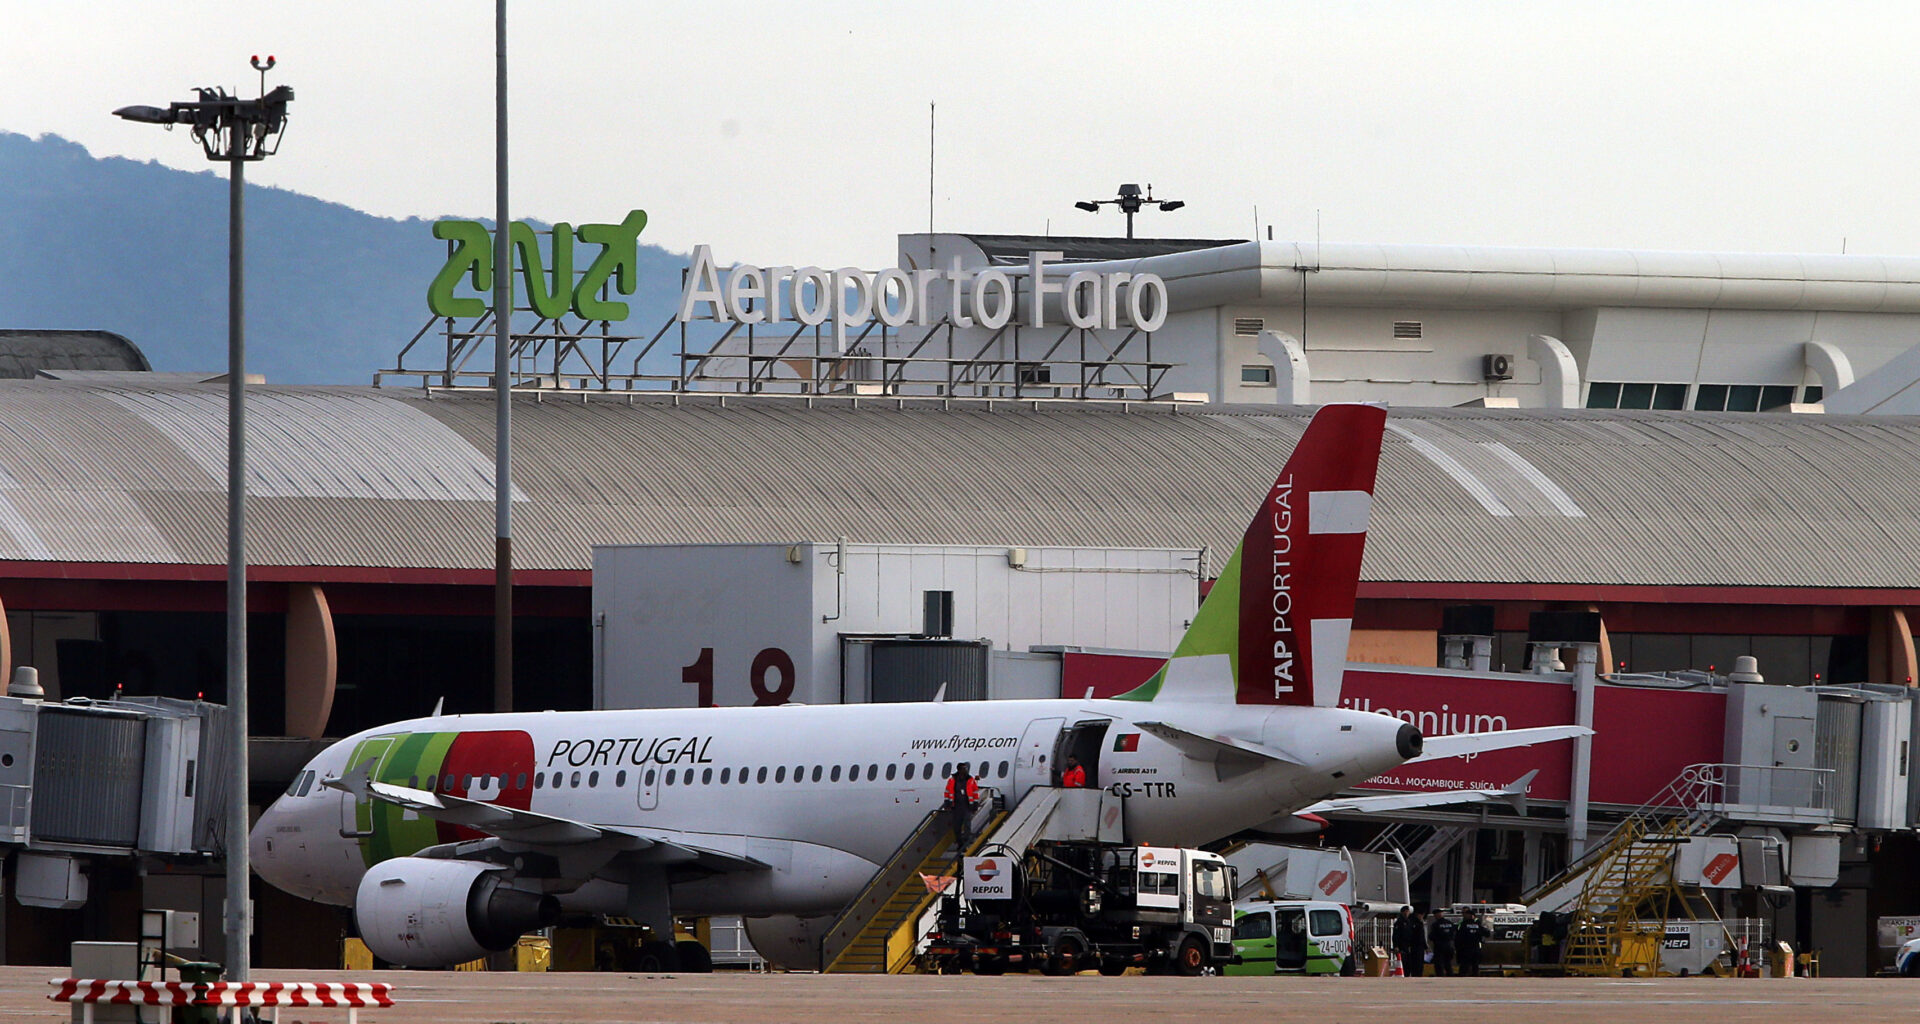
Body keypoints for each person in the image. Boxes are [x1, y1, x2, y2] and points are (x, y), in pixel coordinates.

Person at [944, 762, 979, 845]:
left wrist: (975, 805)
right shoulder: (952, 780)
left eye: (966, 769)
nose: (966, 770)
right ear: (959, 770)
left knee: (967, 824)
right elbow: (947, 792)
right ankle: (960, 843)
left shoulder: (970, 780)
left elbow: (975, 793)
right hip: (956, 807)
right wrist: (947, 804)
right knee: (957, 827)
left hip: (966, 806)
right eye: (964, 769)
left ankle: (966, 840)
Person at [1392, 906, 1427, 978]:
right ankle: (1404, 974)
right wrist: (1396, 946)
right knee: (1404, 962)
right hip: (1402, 945)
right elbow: (1396, 935)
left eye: (1407, 911)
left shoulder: (1409, 921)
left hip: (1409, 945)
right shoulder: (1399, 922)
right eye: (1405, 911)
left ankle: (1407, 974)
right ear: (1402, 912)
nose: (1406, 913)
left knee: (1409, 962)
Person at [1456, 911, 1487, 977]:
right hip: (1476, 948)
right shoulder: (1478, 925)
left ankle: (1463, 976)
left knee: (1464, 965)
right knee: (1475, 965)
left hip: (1466, 948)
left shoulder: (1463, 924)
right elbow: (1487, 933)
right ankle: (1475, 976)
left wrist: (1458, 947)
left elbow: (1458, 936)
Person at [1427, 908, 1456, 977]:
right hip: (1449, 946)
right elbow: (1453, 934)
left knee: (1439, 963)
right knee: (1448, 963)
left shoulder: (1436, 924)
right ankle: (1450, 976)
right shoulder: (1450, 923)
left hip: (1439, 946)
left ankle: (1440, 977)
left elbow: (1431, 936)